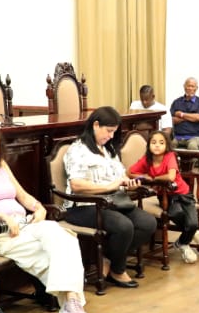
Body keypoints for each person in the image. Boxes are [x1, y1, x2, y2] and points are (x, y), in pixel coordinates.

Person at [0, 124, 101, 313]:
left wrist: (39, 207)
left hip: (24, 225)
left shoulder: (2, 166)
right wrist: (1, 216)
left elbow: (22, 196)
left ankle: (71, 308)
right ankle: (72, 311)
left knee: (64, 237)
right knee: (46, 258)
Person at [61, 106, 158, 288]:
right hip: (84, 206)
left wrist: (127, 183)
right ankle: (119, 270)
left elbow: (120, 176)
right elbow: (77, 185)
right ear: (96, 125)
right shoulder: (77, 150)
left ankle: (108, 259)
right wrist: (108, 186)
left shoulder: (108, 150)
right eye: (109, 131)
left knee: (148, 223)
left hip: (113, 201)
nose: (111, 136)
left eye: (114, 132)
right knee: (124, 226)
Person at [128, 129, 199, 265]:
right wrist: (143, 177)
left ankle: (181, 242)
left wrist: (153, 179)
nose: (157, 145)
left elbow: (171, 177)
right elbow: (129, 172)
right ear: (148, 145)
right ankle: (191, 235)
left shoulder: (170, 156)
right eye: (153, 142)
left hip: (183, 194)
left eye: (161, 142)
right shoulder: (146, 160)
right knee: (175, 213)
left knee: (193, 223)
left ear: (166, 145)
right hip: (167, 197)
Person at [170, 77, 199, 149]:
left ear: (196, 88)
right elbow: (171, 119)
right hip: (177, 136)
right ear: (184, 87)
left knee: (192, 146)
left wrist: (181, 115)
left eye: (192, 86)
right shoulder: (176, 102)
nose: (190, 88)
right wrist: (191, 117)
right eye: (188, 86)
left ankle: (195, 161)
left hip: (194, 137)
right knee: (170, 147)